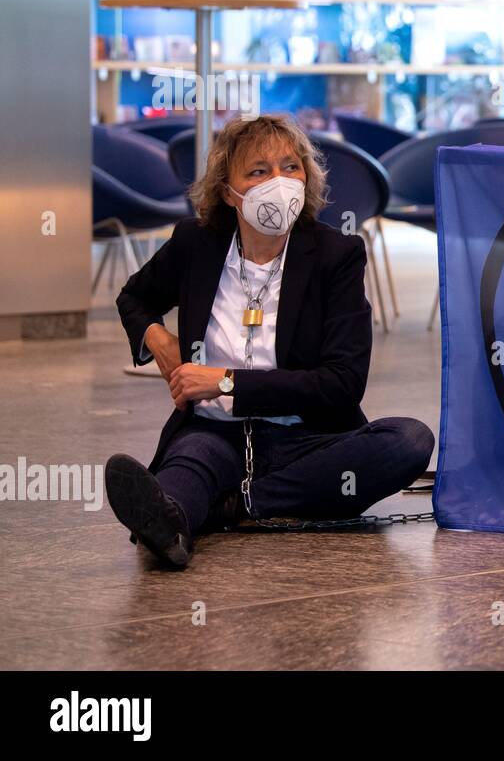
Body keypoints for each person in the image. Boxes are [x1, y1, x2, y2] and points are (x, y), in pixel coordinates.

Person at [106, 115, 435, 569]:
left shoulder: (336, 256)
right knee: (188, 467)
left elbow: (342, 383)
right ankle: (171, 523)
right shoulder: (196, 245)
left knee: (409, 440)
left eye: (290, 167)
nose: (278, 183)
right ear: (228, 191)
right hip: (214, 431)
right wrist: (156, 337)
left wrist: (226, 382)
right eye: (258, 172)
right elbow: (135, 298)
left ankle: (237, 506)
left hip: (309, 438)